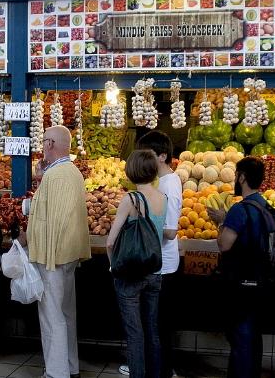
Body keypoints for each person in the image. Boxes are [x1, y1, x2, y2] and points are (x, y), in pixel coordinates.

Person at [20, 125, 90, 378]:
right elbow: (51, 207)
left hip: (53, 257)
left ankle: (56, 372)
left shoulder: (56, 175)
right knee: (66, 313)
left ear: (50, 144)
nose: (42, 146)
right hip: (68, 254)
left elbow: (51, 219)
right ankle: (70, 366)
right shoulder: (70, 171)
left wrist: (29, 239)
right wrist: (40, 181)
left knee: (52, 317)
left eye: (44, 141)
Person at [116, 131, 181, 378]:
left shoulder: (168, 184)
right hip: (155, 262)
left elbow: (171, 231)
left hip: (159, 263)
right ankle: (151, 367)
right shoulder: (161, 183)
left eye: (149, 155)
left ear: (162, 156)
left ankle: (159, 369)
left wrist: (141, 226)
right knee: (151, 324)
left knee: (153, 326)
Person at [107, 150, 167, 378]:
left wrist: (114, 266)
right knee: (152, 330)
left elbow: (111, 241)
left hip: (130, 274)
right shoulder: (163, 198)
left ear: (131, 171)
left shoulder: (131, 199)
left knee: (134, 333)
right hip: (154, 271)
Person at [208, 157, 268, 378]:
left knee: (241, 335)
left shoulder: (239, 209)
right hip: (262, 280)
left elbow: (224, 244)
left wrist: (220, 223)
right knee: (254, 335)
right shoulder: (265, 205)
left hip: (241, 283)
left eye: (236, 175)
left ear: (242, 177)